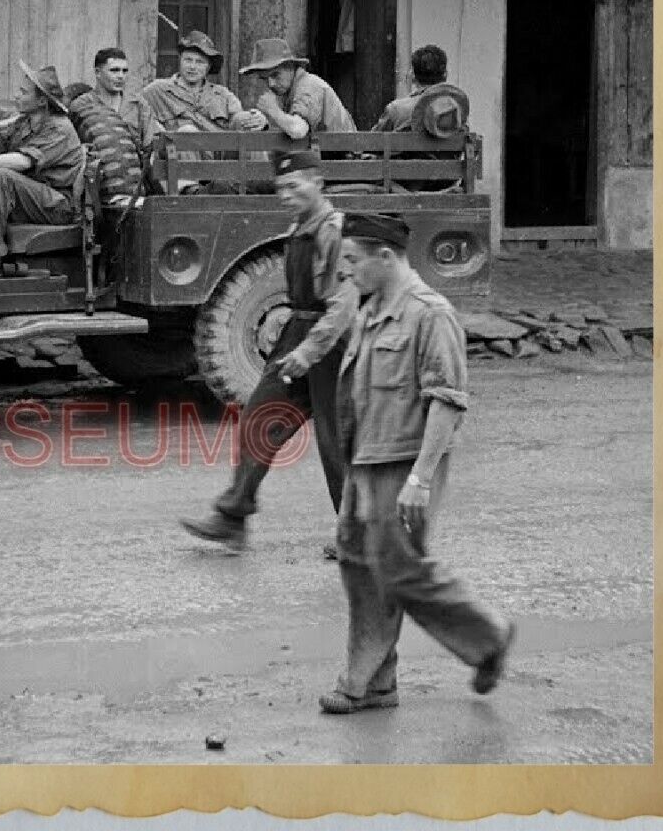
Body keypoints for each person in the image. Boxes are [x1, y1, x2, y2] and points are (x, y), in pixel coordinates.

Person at [319, 212, 514, 716]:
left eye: (353, 261)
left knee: (401, 569)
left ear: (386, 257)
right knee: (360, 566)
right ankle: (373, 681)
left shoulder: (431, 314)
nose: (347, 272)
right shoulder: (371, 308)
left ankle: (486, 638)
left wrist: (420, 479)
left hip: (403, 465)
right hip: (366, 461)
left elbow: (447, 401)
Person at [180, 149, 355, 551]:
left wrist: (309, 351)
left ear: (318, 183)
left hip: (331, 343)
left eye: (295, 186)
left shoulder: (334, 230)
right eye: (281, 188)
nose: (286, 195)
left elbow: (344, 303)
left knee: (336, 442)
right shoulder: (301, 226)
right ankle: (233, 517)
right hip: (299, 333)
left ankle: (358, 535)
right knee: (259, 417)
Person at [0, 61, 84, 245]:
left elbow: (24, 161)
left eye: (23, 92)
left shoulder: (59, 129)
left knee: (2, 176)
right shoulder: (23, 122)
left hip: (57, 205)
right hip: (29, 196)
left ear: (41, 101)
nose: (16, 96)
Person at [143, 30, 265, 132]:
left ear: (208, 67)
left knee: (249, 125)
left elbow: (237, 119)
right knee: (187, 132)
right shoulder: (157, 90)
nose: (192, 67)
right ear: (180, 61)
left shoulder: (222, 95)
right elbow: (136, 117)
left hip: (219, 156)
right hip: (179, 157)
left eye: (199, 62)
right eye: (188, 60)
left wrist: (255, 119)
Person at [241, 38, 357, 140]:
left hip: (343, 158)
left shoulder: (308, 86)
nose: (270, 84)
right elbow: (286, 123)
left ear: (290, 67)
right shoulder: (285, 91)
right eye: (264, 79)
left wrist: (273, 111)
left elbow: (298, 130)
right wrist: (265, 122)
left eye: (275, 75)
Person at [372, 44, 469, 134]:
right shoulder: (455, 111)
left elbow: (372, 143)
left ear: (413, 76)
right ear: (445, 74)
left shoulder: (396, 109)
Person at [89, 47, 162, 154]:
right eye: (114, 70)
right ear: (98, 72)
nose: (120, 76)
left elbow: (151, 145)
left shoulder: (138, 105)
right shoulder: (83, 105)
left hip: (133, 167)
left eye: (124, 71)